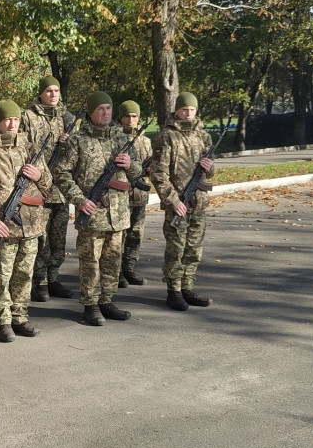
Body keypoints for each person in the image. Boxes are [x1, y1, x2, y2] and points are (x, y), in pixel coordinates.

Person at [54, 91, 142, 326]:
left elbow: (139, 171)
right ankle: (90, 304)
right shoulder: (77, 140)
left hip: (118, 214)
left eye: (109, 108)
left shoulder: (122, 139)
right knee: (90, 262)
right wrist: (80, 200)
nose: (106, 113)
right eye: (101, 109)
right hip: (92, 213)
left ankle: (106, 300)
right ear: (91, 112)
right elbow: (61, 173)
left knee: (113, 260)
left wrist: (130, 165)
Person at [0, 100, 51, 342]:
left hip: (31, 225)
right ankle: (2, 320)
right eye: (7, 120)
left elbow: (47, 185)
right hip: (3, 226)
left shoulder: (31, 149)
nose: (12, 124)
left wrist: (40, 176)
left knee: (24, 275)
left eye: (15, 120)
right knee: (2, 276)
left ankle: (20, 316)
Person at [149, 91, 215, 311]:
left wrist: (210, 167)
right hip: (178, 202)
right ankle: (174, 290)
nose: (188, 113)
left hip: (199, 202)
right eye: (184, 109)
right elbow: (158, 173)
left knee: (194, 249)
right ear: (176, 110)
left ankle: (187, 286)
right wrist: (172, 200)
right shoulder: (166, 136)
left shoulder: (204, 136)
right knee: (176, 249)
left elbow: (211, 171)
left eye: (192, 110)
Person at [20, 75, 76, 302]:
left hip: (61, 189)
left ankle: (53, 278)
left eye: (57, 90)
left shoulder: (68, 118)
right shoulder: (28, 117)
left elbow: (77, 152)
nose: (53, 95)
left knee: (59, 239)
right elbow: (20, 145)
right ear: (41, 93)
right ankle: (39, 282)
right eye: (49, 91)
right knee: (39, 239)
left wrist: (69, 141)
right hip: (37, 187)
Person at [116, 100, 153, 287]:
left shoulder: (145, 141)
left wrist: (150, 169)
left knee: (135, 234)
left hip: (139, 194)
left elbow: (151, 165)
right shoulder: (115, 138)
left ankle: (129, 268)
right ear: (120, 117)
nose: (131, 120)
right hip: (121, 194)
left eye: (134, 116)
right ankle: (116, 272)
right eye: (127, 116)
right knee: (119, 235)